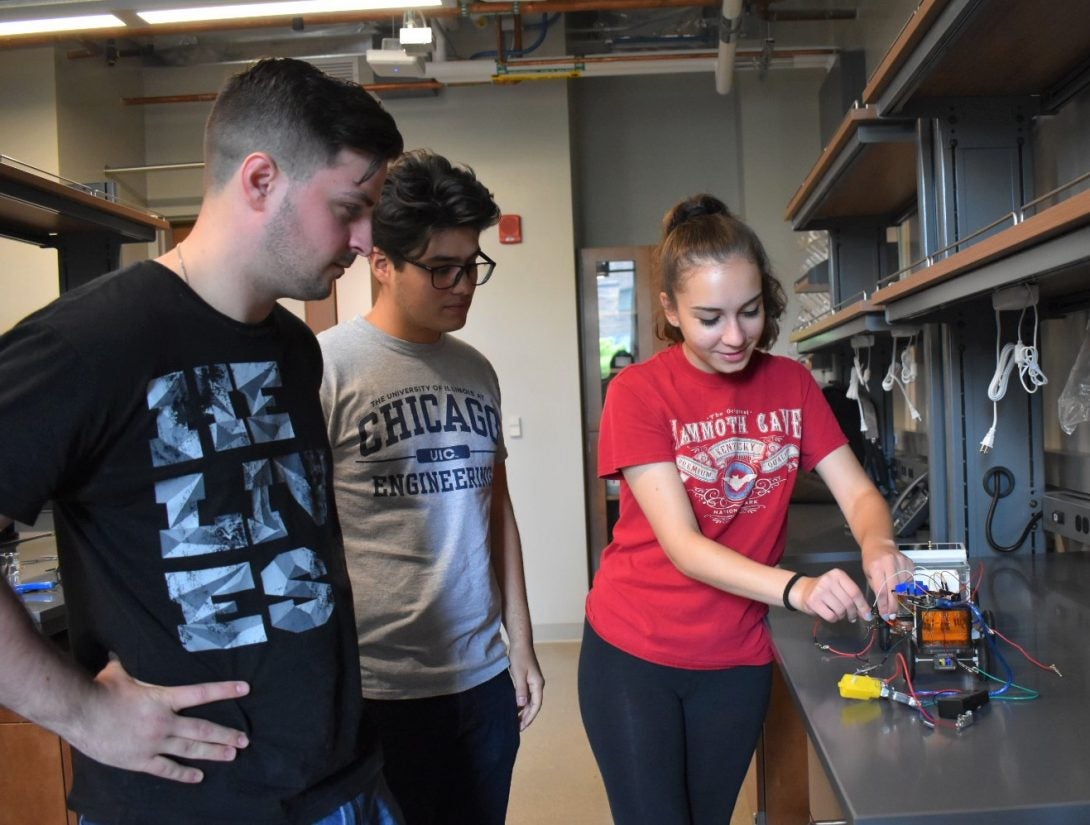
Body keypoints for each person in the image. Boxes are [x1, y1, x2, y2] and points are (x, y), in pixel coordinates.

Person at [0, 58, 404, 825]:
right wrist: (83, 713)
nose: (363, 239)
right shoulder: (89, 343)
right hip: (184, 803)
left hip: (339, 783)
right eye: (350, 207)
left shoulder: (293, 346)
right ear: (259, 180)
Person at [577, 194, 912, 825]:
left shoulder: (792, 384)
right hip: (633, 651)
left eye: (750, 312)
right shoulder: (638, 392)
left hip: (735, 656)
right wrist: (800, 589)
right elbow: (683, 545)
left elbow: (860, 494)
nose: (735, 337)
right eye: (710, 318)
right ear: (671, 312)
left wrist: (879, 546)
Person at [318, 149, 544, 825]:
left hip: (477, 677)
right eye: (440, 268)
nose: (463, 283)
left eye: (471, 264)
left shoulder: (476, 370)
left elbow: (496, 511)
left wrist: (522, 643)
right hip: (376, 685)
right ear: (380, 262)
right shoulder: (328, 367)